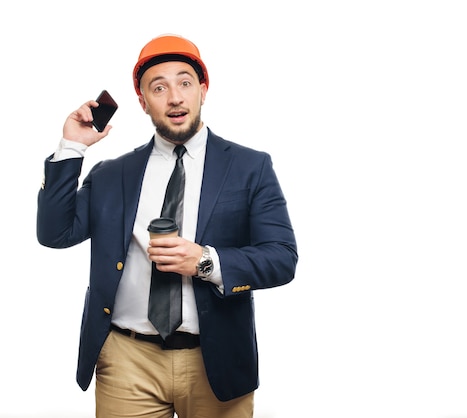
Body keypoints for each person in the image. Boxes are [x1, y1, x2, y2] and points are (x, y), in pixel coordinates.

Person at [36, 34, 298, 418]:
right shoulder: (111, 174)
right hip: (128, 361)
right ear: (143, 102)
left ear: (203, 90)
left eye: (185, 83)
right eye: (159, 88)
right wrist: (72, 147)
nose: (174, 97)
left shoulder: (250, 167)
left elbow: (281, 258)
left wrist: (206, 262)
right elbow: (54, 234)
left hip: (217, 359)